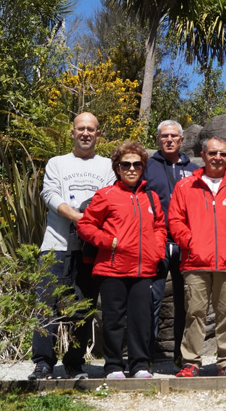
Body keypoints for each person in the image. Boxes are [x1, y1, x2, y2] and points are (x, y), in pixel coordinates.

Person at [29, 112, 116, 380]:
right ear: (73, 132)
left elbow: (109, 199)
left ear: (98, 134)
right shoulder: (57, 163)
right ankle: (43, 363)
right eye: (81, 129)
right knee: (46, 305)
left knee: (83, 308)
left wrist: (89, 223)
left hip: (89, 250)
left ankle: (74, 363)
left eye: (91, 129)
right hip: (55, 245)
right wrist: (79, 218)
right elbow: (50, 194)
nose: (85, 133)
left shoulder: (108, 166)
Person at [77, 141, 167, 379]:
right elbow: (85, 225)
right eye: (126, 164)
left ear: (143, 167)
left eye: (137, 164)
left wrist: (157, 251)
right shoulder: (106, 195)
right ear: (117, 168)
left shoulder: (151, 197)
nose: (131, 169)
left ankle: (139, 365)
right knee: (114, 320)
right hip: (112, 269)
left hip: (143, 270)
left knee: (141, 320)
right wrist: (109, 242)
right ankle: (114, 366)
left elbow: (160, 227)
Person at [169, 137, 226, 377]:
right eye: (213, 153)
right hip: (195, 262)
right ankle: (190, 362)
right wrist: (190, 242)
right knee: (194, 313)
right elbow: (175, 219)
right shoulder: (186, 186)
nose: (218, 157)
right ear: (203, 155)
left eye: (223, 154)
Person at [142, 119, 198, 364]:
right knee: (151, 299)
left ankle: (182, 356)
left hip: (186, 242)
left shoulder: (194, 169)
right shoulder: (146, 166)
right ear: (158, 139)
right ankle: (145, 356)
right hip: (157, 241)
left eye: (173, 136)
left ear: (182, 139)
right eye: (164, 136)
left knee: (186, 301)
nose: (169, 139)